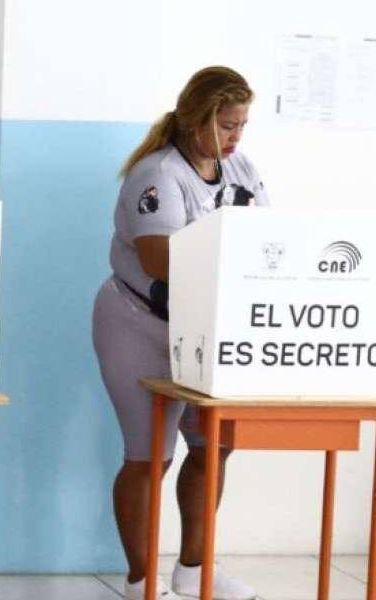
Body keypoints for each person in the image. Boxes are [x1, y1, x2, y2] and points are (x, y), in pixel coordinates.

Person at [92, 66, 267, 600]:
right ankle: (141, 583)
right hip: (138, 321)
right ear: (196, 119)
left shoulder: (242, 169)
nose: (236, 137)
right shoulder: (158, 173)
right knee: (151, 455)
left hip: (205, 327)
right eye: (227, 125)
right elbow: (159, 259)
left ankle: (193, 571)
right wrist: (233, 261)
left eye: (242, 125)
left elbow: (264, 240)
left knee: (214, 446)